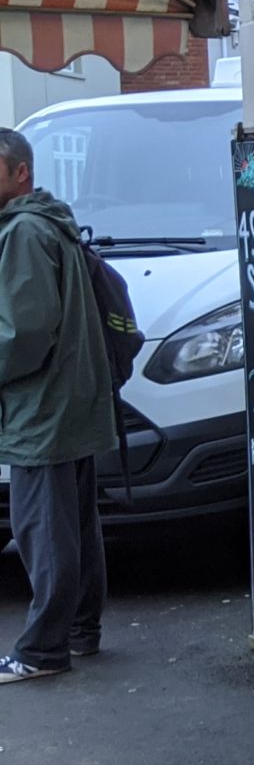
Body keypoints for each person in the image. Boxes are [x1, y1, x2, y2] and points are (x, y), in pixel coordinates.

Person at [0, 127, 115, 682]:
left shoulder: (23, 232)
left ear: (20, 172)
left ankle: (42, 649)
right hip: (75, 399)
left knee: (42, 530)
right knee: (75, 524)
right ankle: (80, 631)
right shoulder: (54, 223)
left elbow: (21, 333)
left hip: (41, 408)